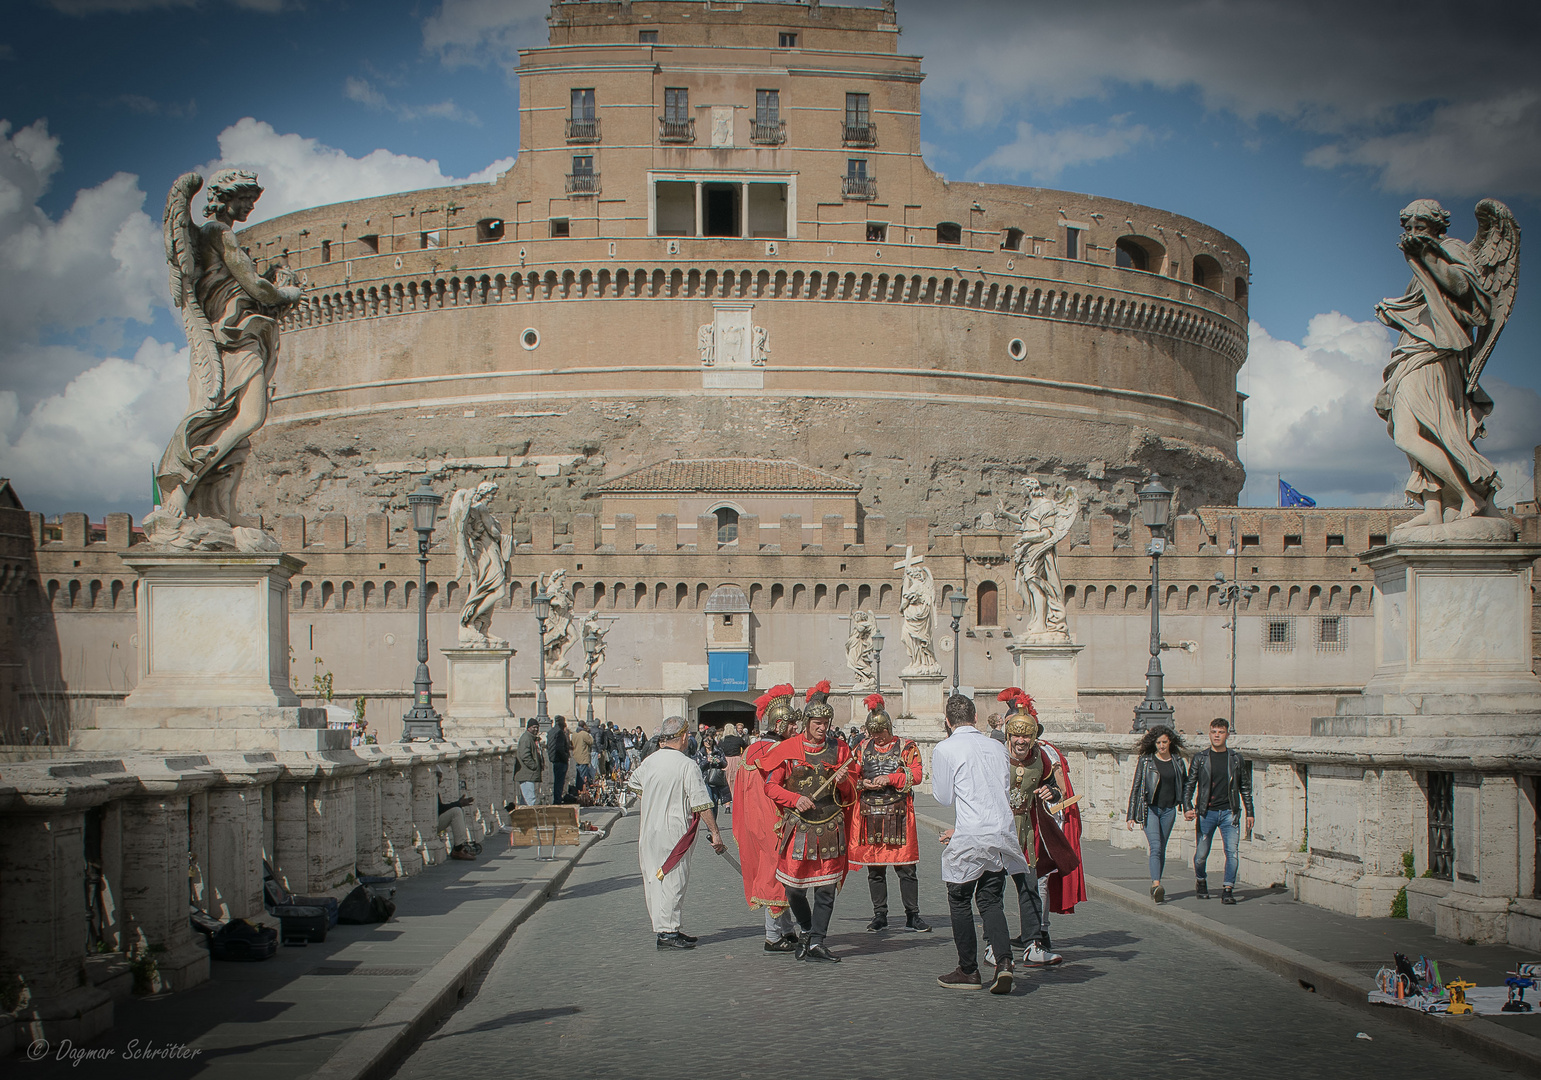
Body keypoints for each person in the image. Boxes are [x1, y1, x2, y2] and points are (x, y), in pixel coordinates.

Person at [931, 694, 1026, 994]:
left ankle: (968, 969)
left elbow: (944, 797)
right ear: (975, 718)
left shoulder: (946, 748)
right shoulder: (997, 747)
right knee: (990, 900)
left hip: (971, 833)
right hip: (1000, 830)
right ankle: (1005, 962)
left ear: (948, 721)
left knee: (959, 898)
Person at [761, 680, 857, 962]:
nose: (822, 728)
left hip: (829, 825)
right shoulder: (787, 748)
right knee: (793, 888)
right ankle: (806, 929)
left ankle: (817, 940)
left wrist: (842, 782)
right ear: (806, 722)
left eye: (826, 723)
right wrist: (794, 799)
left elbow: (852, 789)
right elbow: (771, 786)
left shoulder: (839, 749)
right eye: (817, 723)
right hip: (799, 826)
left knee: (826, 888)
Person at [626, 716, 726, 949]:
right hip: (674, 831)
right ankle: (668, 932)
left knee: (654, 876)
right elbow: (702, 803)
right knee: (673, 879)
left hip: (650, 828)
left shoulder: (650, 761)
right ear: (683, 737)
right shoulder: (686, 765)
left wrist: (654, 800)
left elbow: (633, 784)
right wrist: (716, 833)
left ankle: (667, 928)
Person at [849, 694, 931, 934]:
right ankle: (880, 915)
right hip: (869, 811)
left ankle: (912, 915)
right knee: (875, 868)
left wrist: (891, 778)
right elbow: (852, 773)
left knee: (906, 868)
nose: (877, 738)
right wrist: (863, 782)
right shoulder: (862, 747)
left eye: (881, 734)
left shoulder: (907, 746)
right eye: (874, 734)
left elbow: (916, 775)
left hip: (899, 812)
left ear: (888, 728)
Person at [995, 689, 1065, 968]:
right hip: (999, 829)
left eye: (1026, 735)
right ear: (1008, 735)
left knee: (1029, 887)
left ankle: (1033, 944)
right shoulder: (995, 756)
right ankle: (994, 945)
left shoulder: (1042, 757)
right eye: (1017, 735)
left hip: (1026, 831)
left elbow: (1056, 786)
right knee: (992, 889)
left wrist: (1052, 792)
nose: (1021, 741)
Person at [734, 685, 801, 953]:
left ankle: (787, 929)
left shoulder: (750, 750)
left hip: (753, 823)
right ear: (781, 724)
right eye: (792, 725)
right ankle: (772, 936)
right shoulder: (776, 752)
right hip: (773, 821)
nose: (796, 729)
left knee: (773, 872)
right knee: (776, 875)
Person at [1182, 718, 1255, 904]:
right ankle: (1201, 880)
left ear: (1227, 735)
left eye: (1220, 732)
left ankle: (1228, 889)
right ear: (1209, 734)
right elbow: (1189, 785)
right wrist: (1188, 807)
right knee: (1201, 855)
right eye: (1214, 731)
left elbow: (1245, 787)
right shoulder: (1201, 758)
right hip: (1207, 813)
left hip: (1230, 813)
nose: (1217, 735)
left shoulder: (1236, 759)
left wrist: (1250, 812)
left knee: (1232, 852)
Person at [1125, 724, 1189, 903]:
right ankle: (1156, 884)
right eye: (1159, 742)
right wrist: (1130, 815)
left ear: (1170, 743)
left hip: (1169, 810)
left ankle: (1156, 885)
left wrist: (1187, 807)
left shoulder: (1177, 761)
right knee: (1155, 846)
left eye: (1165, 742)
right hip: (1150, 809)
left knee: (1162, 848)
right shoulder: (1146, 761)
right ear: (1154, 743)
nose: (1161, 746)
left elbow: (1184, 788)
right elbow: (1136, 787)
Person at [435, 766, 480, 861]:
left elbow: (440, 808)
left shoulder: (435, 790)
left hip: (435, 821)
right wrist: (458, 804)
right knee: (456, 811)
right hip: (431, 824)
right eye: (437, 776)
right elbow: (440, 809)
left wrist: (458, 803)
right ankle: (458, 849)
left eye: (440, 777)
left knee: (457, 810)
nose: (439, 780)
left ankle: (460, 847)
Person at [696, 733, 730, 817]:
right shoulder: (700, 753)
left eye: (710, 740)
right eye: (706, 740)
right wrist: (706, 761)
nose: (708, 742)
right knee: (710, 799)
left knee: (715, 800)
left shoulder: (718, 751)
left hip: (716, 778)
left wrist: (720, 761)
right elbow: (698, 766)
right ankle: (710, 823)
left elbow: (725, 764)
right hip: (705, 779)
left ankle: (713, 820)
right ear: (703, 742)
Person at [516, 717, 545, 806]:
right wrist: (534, 766)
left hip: (529, 773)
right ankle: (531, 818)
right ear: (528, 728)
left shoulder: (532, 738)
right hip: (527, 773)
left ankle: (523, 818)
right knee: (530, 798)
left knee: (525, 799)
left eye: (537, 727)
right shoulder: (526, 739)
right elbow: (525, 755)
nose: (536, 729)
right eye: (534, 727)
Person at [546, 715, 572, 802]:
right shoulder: (559, 733)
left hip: (554, 759)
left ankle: (557, 798)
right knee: (559, 782)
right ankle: (557, 799)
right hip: (561, 760)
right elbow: (560, 748)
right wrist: (566, 757)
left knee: (557, 781)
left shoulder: (551, 732)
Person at [720, 723, 747, 792]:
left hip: (726, 760)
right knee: (737, 779)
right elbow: (746, 747)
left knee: (727, 779)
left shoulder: (722, 740)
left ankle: (728, 796)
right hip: (737, 760)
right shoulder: (738, 739)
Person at [572, 720, 596, 788]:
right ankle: (582, 789)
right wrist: (589, 733)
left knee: (578, 774)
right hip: (583, 756)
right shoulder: (584, 734)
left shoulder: (574, 734)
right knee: (583, 774)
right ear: (584, 726)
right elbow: (591, 741)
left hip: (576, 756)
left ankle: (578, 788)